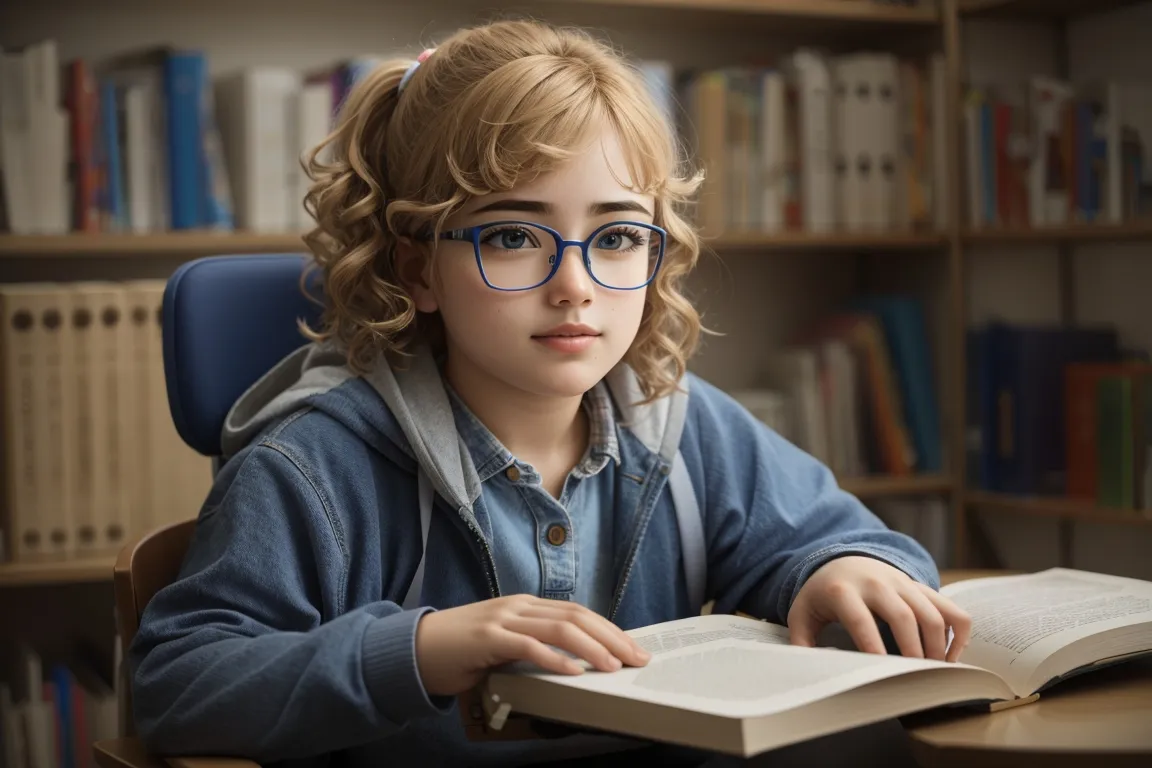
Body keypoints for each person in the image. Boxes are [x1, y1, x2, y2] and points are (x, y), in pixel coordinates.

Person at [129, 18, 971, 768]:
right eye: (513, 236)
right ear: (417, 267)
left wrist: (843, 567)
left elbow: (832, 537)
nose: (575, 286)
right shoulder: (314, 466)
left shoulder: (674, 421)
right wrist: (418, 652)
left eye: (615, 236)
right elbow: (176, 684)